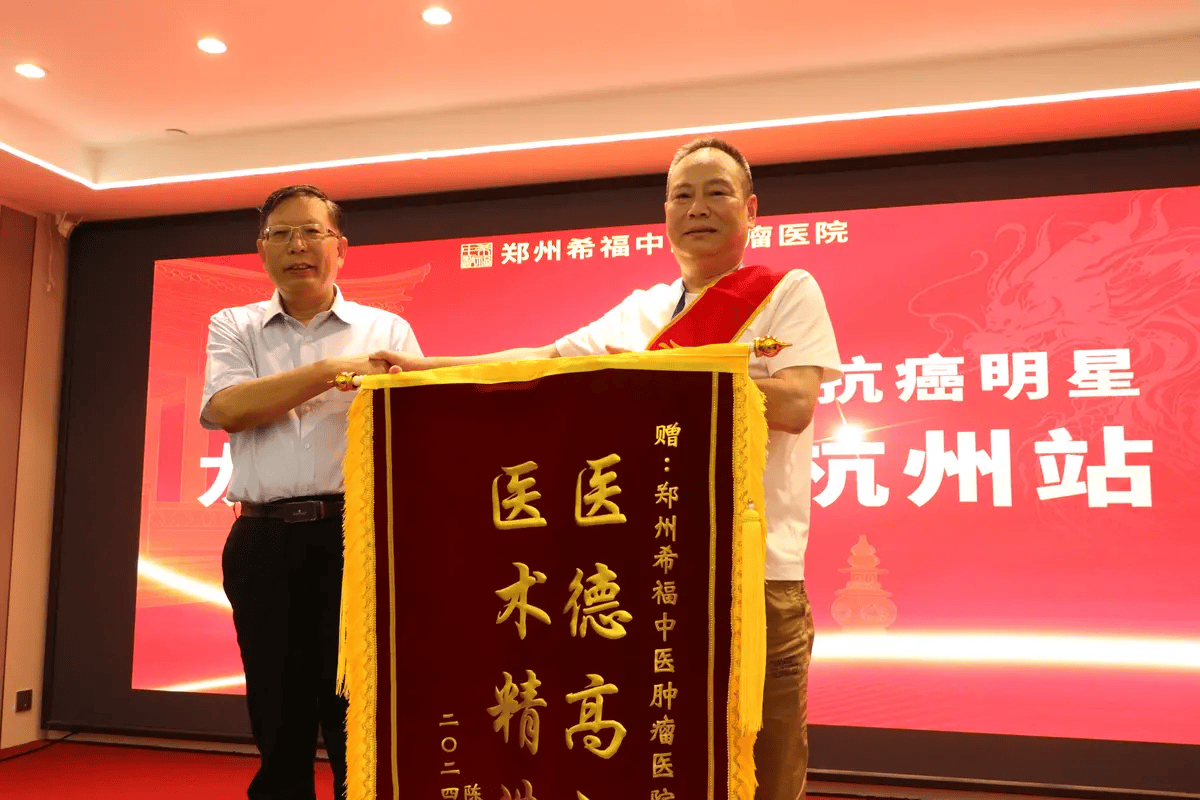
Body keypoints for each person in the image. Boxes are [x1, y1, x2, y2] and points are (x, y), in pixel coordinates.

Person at [369, 138, 840, 800]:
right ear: (664, 212)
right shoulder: (641, 310)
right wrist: (424, 370)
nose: (697, 208)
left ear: (751, 209)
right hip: (652, 568)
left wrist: (654, 378)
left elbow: (792, 404)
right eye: (682, 195)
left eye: (717, 193)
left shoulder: (787, 292)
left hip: (753, 570)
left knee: (762, 754)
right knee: (663, 753)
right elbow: (543, 362)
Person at [200, 184, 423, 800]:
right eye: (280, 234)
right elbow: (227, 408)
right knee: (276, 709)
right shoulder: (235, 325)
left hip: (355, 539)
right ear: (262, 249)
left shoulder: (387, 328)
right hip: (262, 539)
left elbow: (415, 426)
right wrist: (331, 371)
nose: (296, 245)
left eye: (311, 232)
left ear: (339, 247)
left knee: (357, 710)